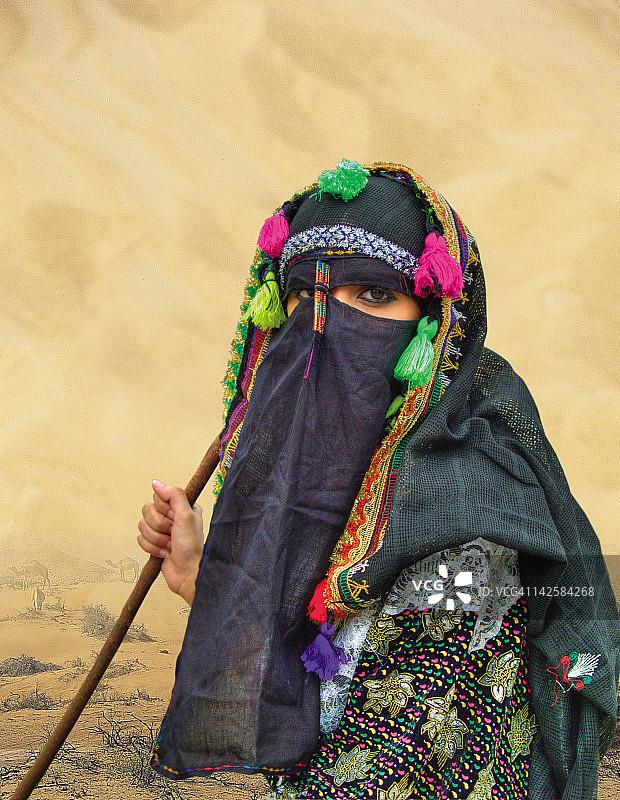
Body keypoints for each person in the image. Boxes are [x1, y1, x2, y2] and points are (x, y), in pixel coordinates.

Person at [137, 161, 620, 800]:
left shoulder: (468, 503)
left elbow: (386, 739)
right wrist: (206, 578)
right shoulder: (338, 471)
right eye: (306, 298)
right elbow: (324, 652)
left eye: (371, 296)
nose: (327, 330)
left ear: (435, 322)